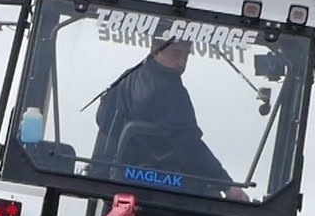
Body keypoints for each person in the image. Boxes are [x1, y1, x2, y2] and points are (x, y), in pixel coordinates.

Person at [93, 38, 249, 202]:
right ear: (156, 51)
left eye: (186, 57)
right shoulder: (170, 91)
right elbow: (188, 144)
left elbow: (102, 119)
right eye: (176, 54)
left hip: (106, 184)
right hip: (153, 196)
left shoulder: (126, 78)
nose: (182, 62)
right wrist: (226, 184)